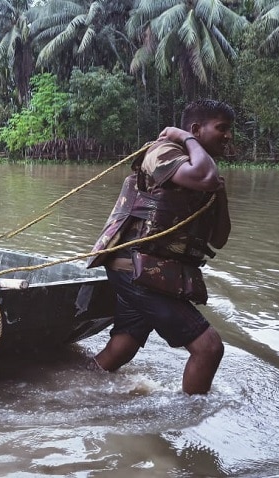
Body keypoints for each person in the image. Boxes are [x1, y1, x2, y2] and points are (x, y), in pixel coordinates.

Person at [87, 99, 234, 395]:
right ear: (195, 129)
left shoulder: (207, 174)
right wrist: (184, 138)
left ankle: (71, 382)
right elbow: (201, 176)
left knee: (123, 346)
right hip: (135, 267)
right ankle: (191, 425)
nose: (228, 136)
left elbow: (219, 238)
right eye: (221, 129)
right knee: (208, 348)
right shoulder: (163, 151)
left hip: (155, 270)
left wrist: (218, 190)